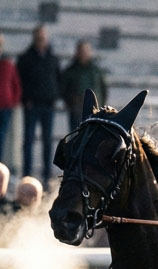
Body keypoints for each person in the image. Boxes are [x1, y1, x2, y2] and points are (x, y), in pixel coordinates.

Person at [17, 25, 60, 185]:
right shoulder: (25, 58)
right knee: (28, 140)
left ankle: (46, 176)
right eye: (38, 38)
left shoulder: (52, 58)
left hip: (48, 105)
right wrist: (25, 100)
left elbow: (58, 78)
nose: (41, 40)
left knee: (47, 141)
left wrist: (55, 97)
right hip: (31, 105)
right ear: (34, 39)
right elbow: (19, 81)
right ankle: (26, 175)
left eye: (43, 38)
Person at [60, 40, 106, 131]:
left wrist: (101, 106)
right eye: (81, 51)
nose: (83, 54)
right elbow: (63, 88)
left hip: (95, 111)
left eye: (85, 51)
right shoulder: (70, 70)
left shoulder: (96, 71)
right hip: (76, 111)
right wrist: (70, 102)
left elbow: (103, 89)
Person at [0, 35, 21, 166]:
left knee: (1, 137)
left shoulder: (8, 63)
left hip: (5, 106)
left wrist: (12, 101)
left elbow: (16, 84)